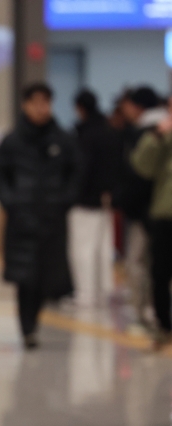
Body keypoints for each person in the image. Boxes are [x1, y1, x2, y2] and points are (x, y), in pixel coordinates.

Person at [0, 83, 81, 349]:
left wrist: (65, 200)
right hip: (22, 221)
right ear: (25, 105)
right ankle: (27, 327)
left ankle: (33, 324)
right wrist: (11, 202)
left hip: (52, 221)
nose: (41, 108)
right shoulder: (12, 141)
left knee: (46, 277)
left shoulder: (62, 139)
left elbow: (76, 172)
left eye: (46, 102)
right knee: (25, 278)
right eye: (36, 102)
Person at [117, 87, 166, 328]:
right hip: (159, 210)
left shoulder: (145, 134)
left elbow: (140, 172)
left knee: (138, 262)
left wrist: (128, 204)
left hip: (147, 211)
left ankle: (144, 310)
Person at [68, 89, 121, 307]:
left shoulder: (85, 135)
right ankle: (103, 291)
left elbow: (83, 169)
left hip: (85, 200)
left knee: (83, 248)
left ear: (80, 108)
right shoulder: (110, 131)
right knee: (103, 248)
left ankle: (85, 294)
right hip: (106, 199)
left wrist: (72, 193)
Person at [131, 96, 172, 349]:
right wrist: (157, 136)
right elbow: (142, 166)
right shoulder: (163, 135)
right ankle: (164, 326)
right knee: (160, 273)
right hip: (165, 214)